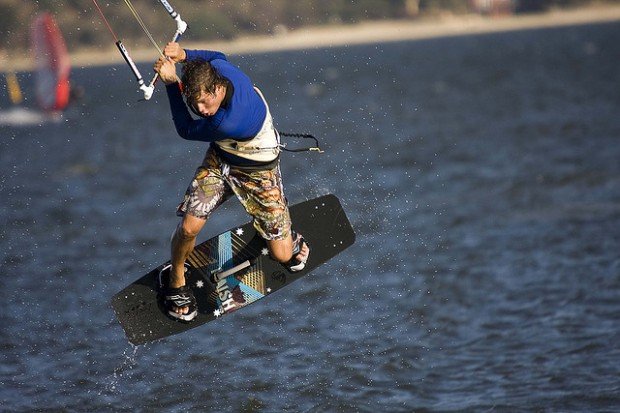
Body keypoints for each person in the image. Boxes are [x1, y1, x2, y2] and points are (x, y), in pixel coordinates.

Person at [153, 42, 310, 322]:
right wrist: (184, 55)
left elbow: (186, 129)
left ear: (218, 88)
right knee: (189, 227)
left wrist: (169, 84)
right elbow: (216, 56)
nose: (202, 109)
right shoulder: (221, 71)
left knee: (283, 257)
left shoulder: (226, 121)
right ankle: (175, 278)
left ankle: (290, 239)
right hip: (221, 160)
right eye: (195, 103)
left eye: (206, 102)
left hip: (258, 171)